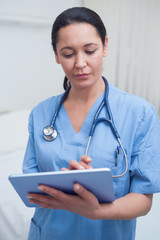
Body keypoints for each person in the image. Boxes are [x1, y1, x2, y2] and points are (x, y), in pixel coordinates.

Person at [23, 7, 160, 240]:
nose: (80, 63)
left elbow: (143, 199)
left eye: (90, 50)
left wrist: (98, 211)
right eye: (68, 53)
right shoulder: (40, 114)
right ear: (56, 55)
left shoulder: (140, 114)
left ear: (105, 46)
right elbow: (31, 186)